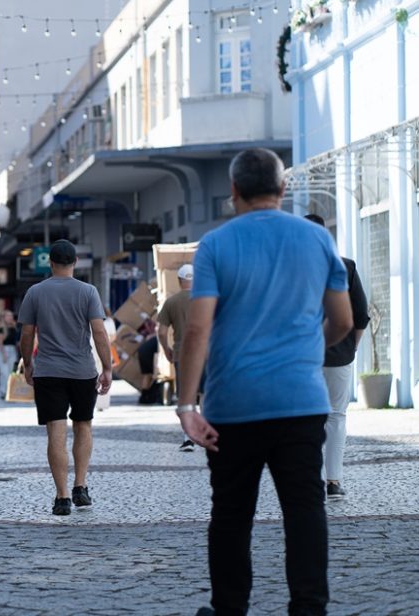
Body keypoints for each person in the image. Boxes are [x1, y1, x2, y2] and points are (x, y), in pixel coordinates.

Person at [177, 148, 352, 616]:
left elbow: (198, 329)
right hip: (301, 401)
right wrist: (308, 348)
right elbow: (342, 320)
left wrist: (187, 406)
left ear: (234, 190)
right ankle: (309, 608)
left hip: (234, 405)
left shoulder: (216, 244)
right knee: (305, 509)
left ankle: (230, 609)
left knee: (232, 514)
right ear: (283, 187)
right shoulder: (317, 239)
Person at [18, 239, 112, 517]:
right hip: (82, 371)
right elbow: (99, 332)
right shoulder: (88, 291)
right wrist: (107, 367)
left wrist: (27, 363)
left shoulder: (35, 292)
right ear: (75, 262)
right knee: (83, 425)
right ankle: (80, 486)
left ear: (50, 262)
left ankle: (62, 497)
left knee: (55, 432)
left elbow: (27, 334)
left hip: (48, 371)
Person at [305, 214, 370, 500]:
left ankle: (307, 479)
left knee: (304, 417)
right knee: (336, 416)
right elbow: (360, 315)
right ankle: (333, 481)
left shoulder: (289, 269)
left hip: (301, 357)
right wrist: (351, 347)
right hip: (339, 355)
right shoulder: (346, 266)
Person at [158, 263, 197, 451]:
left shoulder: (171, 302)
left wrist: (166, 349)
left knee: (185, 395)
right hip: (206, 354)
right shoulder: (205, 300)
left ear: (179, 280)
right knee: (205, 393)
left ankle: (188, 437)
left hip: (182, 355)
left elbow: (161, 331)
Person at [0, 310, 20, 399]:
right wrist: (4, 354)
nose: (10, 317)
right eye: (8, 316)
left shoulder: (14, 328)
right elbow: (0, 343)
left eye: (11, 316)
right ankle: (3, 391)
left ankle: (9, 392)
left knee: (10, 372)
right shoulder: (1, 328)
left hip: (12, 350)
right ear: (4, 317)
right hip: (3, 350)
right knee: (4, 372)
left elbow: (16, 342)